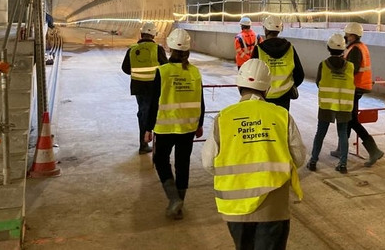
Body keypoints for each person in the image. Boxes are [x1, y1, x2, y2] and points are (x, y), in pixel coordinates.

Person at [202, 58, 306, 250]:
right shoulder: (281, 115)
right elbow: (299, 157)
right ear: (267, 88)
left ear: (238, 85)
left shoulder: (224, 117)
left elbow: (208, 163)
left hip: (235, 208)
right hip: (273, 209)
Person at [146, 28, 205, 219]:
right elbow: (200, 101)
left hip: (165, 127)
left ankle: (173, 198)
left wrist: (148, 128)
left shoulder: (162, 72)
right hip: (188, 127)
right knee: (183, 164)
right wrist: (200, 123)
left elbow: (154, 102)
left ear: (169, 48)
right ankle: (179, 202)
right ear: (188, 50)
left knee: (161, 161)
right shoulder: (195, 72)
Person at [330, 22, 384, 167]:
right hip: (358, 87)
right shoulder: (359, 47)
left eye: (347, 34)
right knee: (349, 119)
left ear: (352, 35)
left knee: (351, 120)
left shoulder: (355, 50)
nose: (345, 37)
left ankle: (374, 150)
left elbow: (351, 70)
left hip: (354, 87)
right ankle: (342, 148)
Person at [307, 33, 354, 174]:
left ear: (328, 48)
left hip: (327, 105)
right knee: (343, 134)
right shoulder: (350, 66)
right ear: (344, 49)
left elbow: (318, 82)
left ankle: (313, 161)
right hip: (344, 105)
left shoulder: (324, 65)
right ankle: (343, 164)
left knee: (320, 133)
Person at [121, 21, 168, 154]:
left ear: (141, 34)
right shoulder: (157, 49)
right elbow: (166, 67)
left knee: (143, 112)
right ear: (153, 35)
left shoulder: (132, 49)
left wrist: (136, 72)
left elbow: (125, 68)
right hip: (154, 87)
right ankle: (146, 143)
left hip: (138, 87)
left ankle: (143, 142)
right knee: (153, 113)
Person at [251, 15, 304, 111]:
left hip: (264, 95)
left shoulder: (259, 49)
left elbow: (252, 74)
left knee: (266, 123)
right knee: (281, 123)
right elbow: (300, 74)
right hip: (284, 96)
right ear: (279, 30)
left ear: (266, 30)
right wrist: (288, 86)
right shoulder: (290, 48)